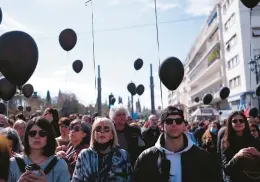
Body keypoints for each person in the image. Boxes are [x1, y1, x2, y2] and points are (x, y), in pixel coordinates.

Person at [134, 106, 220, 182]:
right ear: (161, 126)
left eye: (178, 121)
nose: (174, 124)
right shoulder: (146, 158)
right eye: (169, 121)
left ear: (183, 125)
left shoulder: (203, 157)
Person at [8, 117, 70, 182]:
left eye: (42, 133)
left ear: (48, 137)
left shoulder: (59, 164)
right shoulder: (13, 164)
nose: (37, 136)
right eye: (32, 133)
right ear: (27, 137)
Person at [71, 117, 132, 181]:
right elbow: (76, 179)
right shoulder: (84, 155)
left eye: (106, 129)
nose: (102, 131)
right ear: (93, 134)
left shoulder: (122, 155)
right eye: (98, 129)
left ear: (112, 135)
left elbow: (129, 179)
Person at [221, 111, 260, 181]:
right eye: (235, 121)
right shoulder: (226, 141)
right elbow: (226, 169)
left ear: (245, 123)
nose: (238, 123)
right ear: (230, 123)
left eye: (241, 121)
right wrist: (237, 156)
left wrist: (257, 153)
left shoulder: (254, 140)